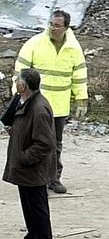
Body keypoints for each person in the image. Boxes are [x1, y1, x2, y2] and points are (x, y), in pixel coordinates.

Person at [14, 10, 87, 194]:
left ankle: (53, 179)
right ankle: (35, 179)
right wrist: (19, 96)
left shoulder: (73, 48)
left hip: (59, 105)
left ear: (66, 27)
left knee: (54, 143)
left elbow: (79, 74)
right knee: (35, 142)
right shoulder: (35, 43)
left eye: (57, 25)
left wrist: (81, 98)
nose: (53, 28)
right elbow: (20, 70)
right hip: (36, 104)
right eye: (51, 24)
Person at [3, 69, 59, 239]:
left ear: (23, 86)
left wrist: (24, 158)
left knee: (38, 210)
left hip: (33, 169)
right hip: (25, 169)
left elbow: (45, 143)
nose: (15, 82)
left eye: (17, 81)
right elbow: (7, 119)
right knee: (29, 208)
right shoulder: (25, 101)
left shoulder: (39, 108)